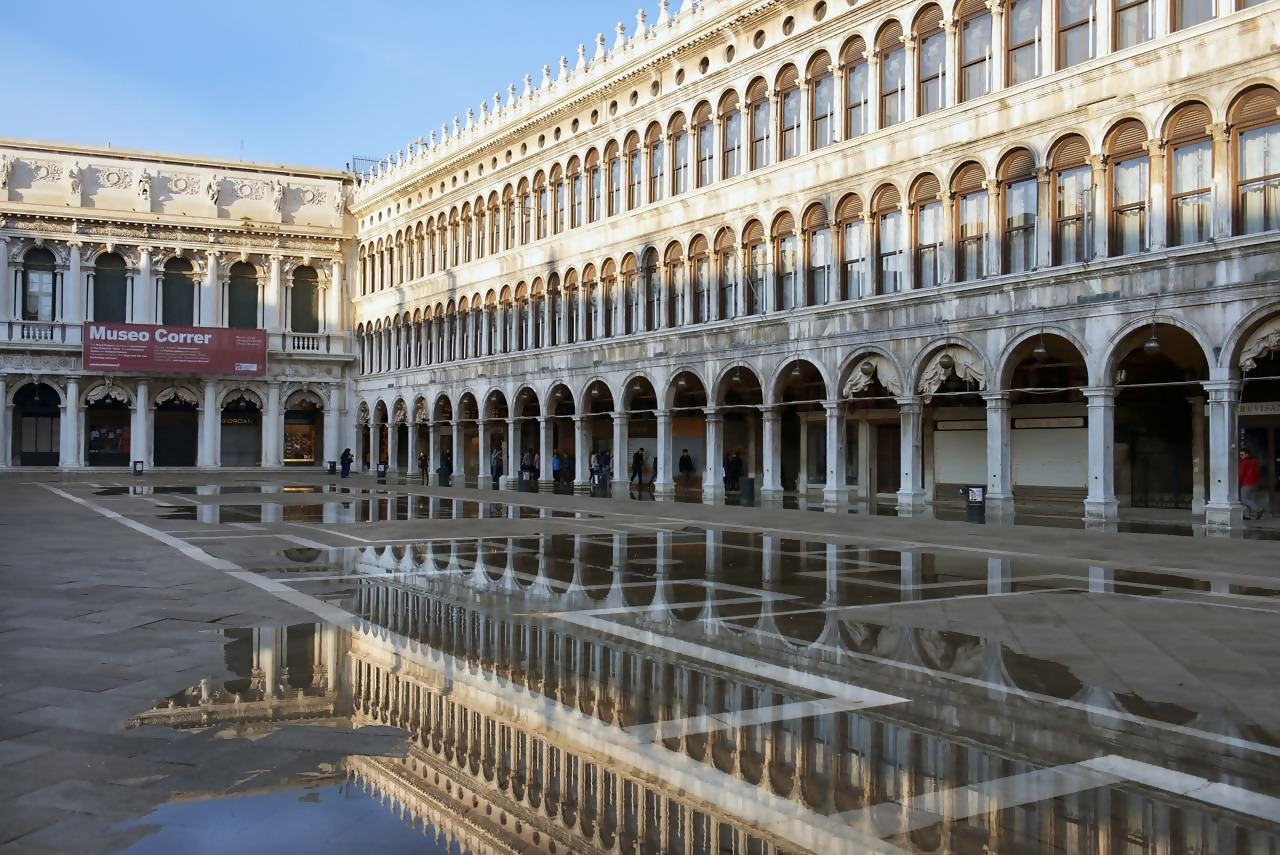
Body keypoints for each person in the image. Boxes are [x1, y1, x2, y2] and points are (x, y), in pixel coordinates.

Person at [1240, 448, 1264, 520]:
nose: (1241, 456)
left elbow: (1241, 473)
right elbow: (1259, 473)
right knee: (1248, 499)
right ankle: (1246, 515)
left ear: (1246, 454)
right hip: (1254, 483)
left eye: (1242, 454)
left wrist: (1239, 482)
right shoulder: (1255, 462)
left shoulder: (1245, 462)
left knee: (1244, 499)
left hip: (1247, 483)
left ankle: (1258, 509)